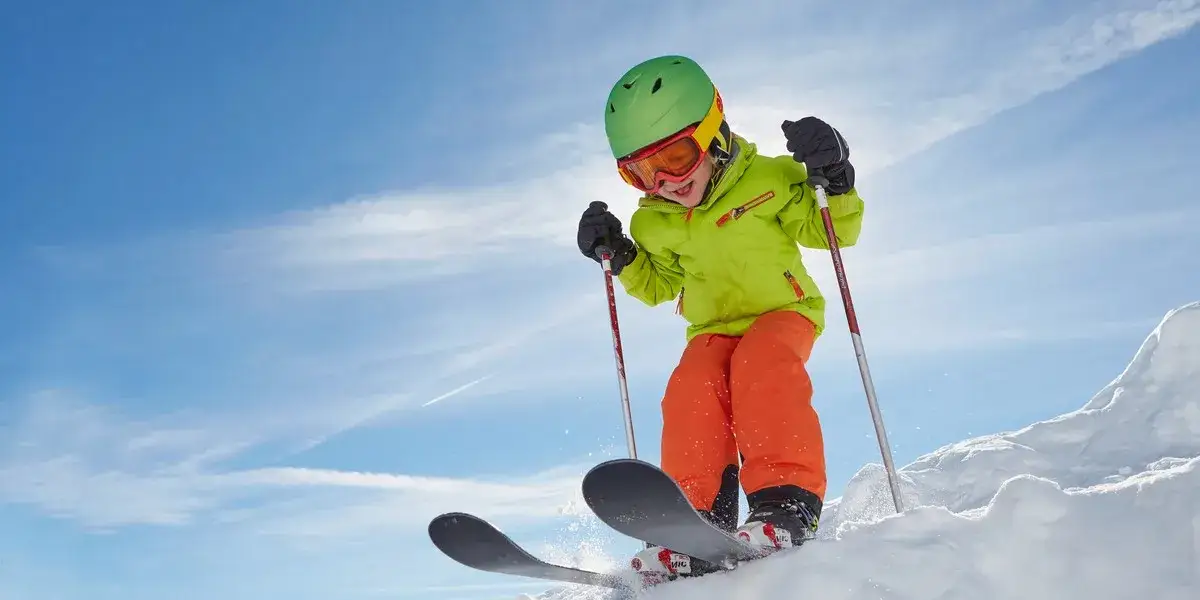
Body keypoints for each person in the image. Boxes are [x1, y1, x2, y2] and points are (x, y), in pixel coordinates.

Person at [576, 54, 865, 582]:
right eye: (641, 171)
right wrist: (621, 255)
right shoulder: (654, 222)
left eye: (678, 156)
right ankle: (694, 519)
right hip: (712, 328)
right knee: (691, 387)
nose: (664, 180)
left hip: (782, 311)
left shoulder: (772, 179)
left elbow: (832, 232)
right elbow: (660, 285)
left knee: (761, 366)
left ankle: (785, 503)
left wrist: (835, 180)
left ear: (714, 131)